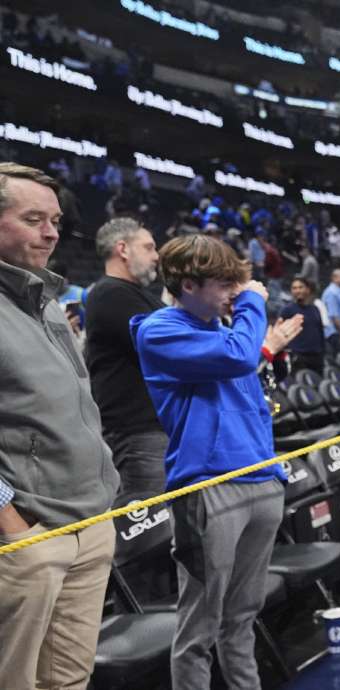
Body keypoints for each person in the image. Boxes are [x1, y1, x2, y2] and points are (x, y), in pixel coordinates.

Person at [132, 234, 290, 690]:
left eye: (236, 283)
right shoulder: (158, 330)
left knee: (242, 619)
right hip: (209, 487)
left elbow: (246, 371)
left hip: (261, 477)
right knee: (199, 627)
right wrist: (252, 305)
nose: (233, 292)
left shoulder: (225, 332)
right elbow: (240, 355)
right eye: (224, 283)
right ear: (186, 284)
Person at [0, 162, 120, 689]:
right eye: (33, 219)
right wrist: (14, 529)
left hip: (89, 524)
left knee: (70, 681)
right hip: (29, 539)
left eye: (54, 220)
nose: (51, 233)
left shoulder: (45, 299)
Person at [85, 217, 166, 494]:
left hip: (154, 429)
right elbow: (167, 348)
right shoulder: (110, 294)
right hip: (137, 433)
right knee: (149, 528)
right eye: (149, 248)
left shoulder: (139, 295)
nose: (156, 256)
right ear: (123, 249)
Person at [280, 277, 326, 374]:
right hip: (298, 357)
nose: (297, 290)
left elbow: (320, 332)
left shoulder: (315, 309)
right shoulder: (287, 310)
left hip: (316, 357)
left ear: (307, 289)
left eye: (300, 287)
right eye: (294, 288)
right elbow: (280, 333)